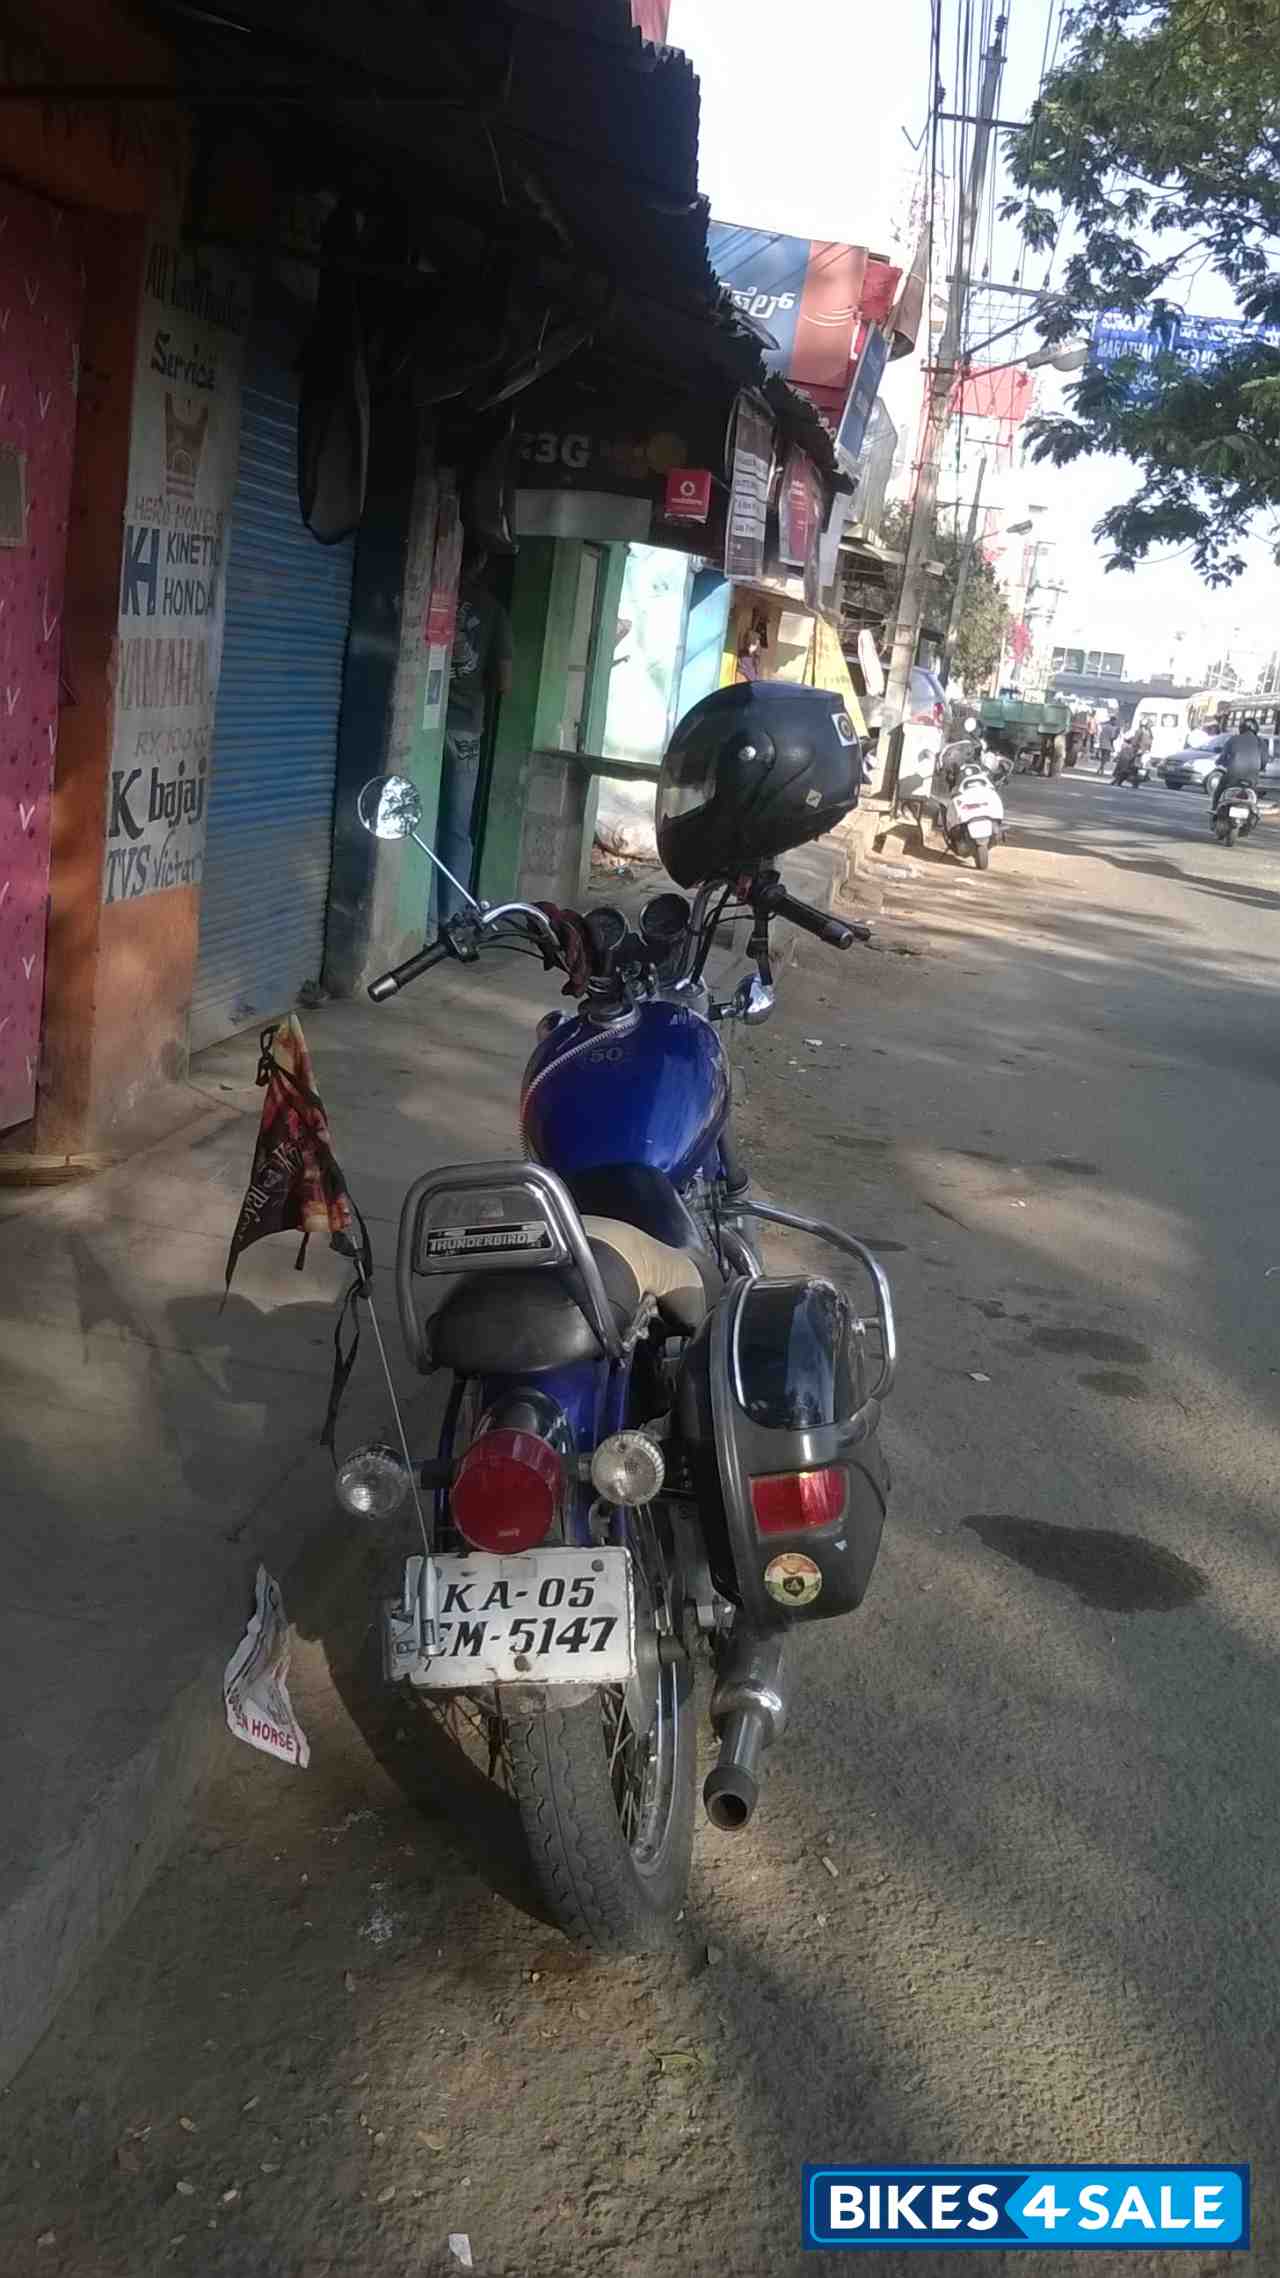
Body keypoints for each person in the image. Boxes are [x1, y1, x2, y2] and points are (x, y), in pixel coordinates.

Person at [437, 547, 512, 921]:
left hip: (427, 726)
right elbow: (504, 682)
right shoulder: (493, 609)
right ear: (480, 561)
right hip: (465, 729)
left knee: (416, 819)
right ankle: (449, 917)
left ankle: (423, 918)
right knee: (455, 827)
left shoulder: (436, 596)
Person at [1211, 714, 1264, 815]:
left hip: (1233, 775)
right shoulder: (1260, 742)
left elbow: (1223, 757)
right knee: (1255, 793)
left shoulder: (1234, 739)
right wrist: (1261, 767)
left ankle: (1214, 808)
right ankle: (1254, 813)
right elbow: (1264, 759)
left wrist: (1220, 763)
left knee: (1220, 788)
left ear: (1241, 728)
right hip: (1252, 777)